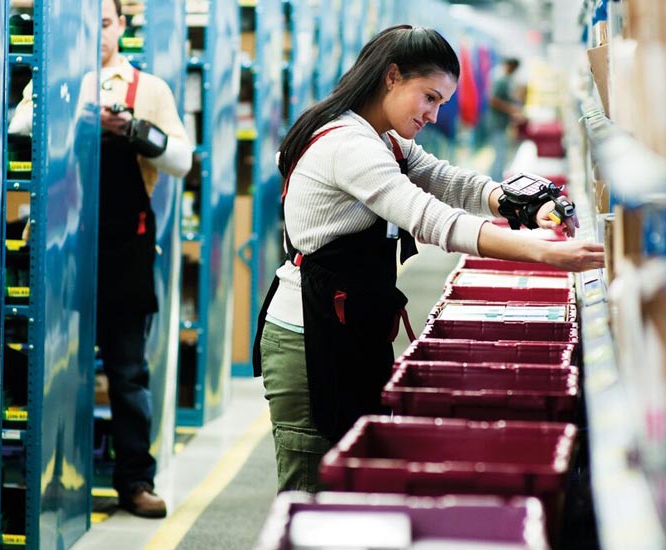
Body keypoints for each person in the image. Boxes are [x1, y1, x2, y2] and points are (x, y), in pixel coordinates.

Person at [251, 25, 605, 493]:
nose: (435, 115)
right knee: (311, 490)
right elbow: (432, 219)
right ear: (392, 77)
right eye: (429, 97)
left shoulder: (383, 138)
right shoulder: (349, 145)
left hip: (349, 325)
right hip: (308, 338)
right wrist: (545, 252)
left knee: (351, 485)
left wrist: (519, 204)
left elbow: (447, 181)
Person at [9, 0, 193, 518]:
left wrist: (132, 129)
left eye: (106, 25)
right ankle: (49, 479)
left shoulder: (149, 89)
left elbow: (181, 160)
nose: (98, 36)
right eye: (87, 27)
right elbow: (18, 128)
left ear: (122, 25)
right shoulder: (53, 79)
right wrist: (68, 110)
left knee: (128, 374)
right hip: (61, 248)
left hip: (124, 248)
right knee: (54, 368)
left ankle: (135, 481)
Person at [487, 57, 527, 180]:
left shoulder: (507, 81)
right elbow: (493, 100)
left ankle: (496, 178)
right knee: (500, 154)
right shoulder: (501, 81)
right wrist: (510, 109)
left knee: (501, 154)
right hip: (497, 123)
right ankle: (495, 181)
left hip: (502, 123)